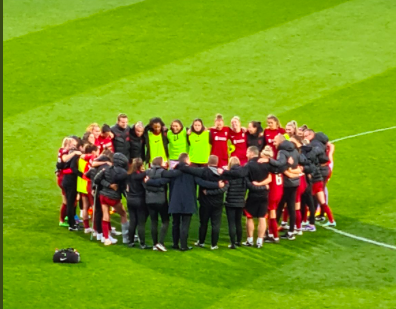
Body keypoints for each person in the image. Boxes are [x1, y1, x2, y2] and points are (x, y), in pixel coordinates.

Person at [148, 153, 223, 251]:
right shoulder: (191, 173)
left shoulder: (173, 172)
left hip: (175, 201)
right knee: (185, 224)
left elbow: (162, 181)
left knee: (175, 223)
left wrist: (148, 182)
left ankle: (175, 244)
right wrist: (217, 185)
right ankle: (183, 245)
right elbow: (203, 183)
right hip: (188, 201)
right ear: (187, 160)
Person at [220, 146, 271, 248]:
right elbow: (271, 176)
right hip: (265, 194)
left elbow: (240, 173)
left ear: (251, 153)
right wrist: (263, 185)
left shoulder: (249, 165)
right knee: (262, 217)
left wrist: (225, 172)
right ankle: (260, 241)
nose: (246, 155)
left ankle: (250, 239)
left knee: (249, 216)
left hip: (253, 195)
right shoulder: (266, 163)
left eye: (247, 153)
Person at [268, 134, 300, 240]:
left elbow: (279, 163)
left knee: (280, 206)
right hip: (295, 182)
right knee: (291, 207)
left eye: (275, 141)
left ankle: (272, 231)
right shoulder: (295, 149)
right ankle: (291, 231)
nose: (274, 143)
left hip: (286, 183)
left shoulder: (282, 151)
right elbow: (300, 161)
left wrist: (268, 160)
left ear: (281, 141)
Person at [193, 155, 229, 250]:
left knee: (203, 223)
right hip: (218, 202)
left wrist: (208, 192)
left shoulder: (204, 171)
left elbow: (199, 181)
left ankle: (201, 242)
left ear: (208, 162)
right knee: (215, 224)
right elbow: (225, 186)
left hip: (205, 202)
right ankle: (214, 244)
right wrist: (216, 187)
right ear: (217, 163)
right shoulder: (221, 173)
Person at [94, 153, 129, 246]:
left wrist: (108, 185)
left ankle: (106, 239)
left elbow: (97, 180)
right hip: (114, 197)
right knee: (123, 214)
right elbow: (123, 187)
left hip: (103, 196)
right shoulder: (123, 173)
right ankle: (126, 237)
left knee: (105, 216)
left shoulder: (106, 169)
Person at [85, 150, 114, 241]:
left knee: (97, 212)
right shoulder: (106, 168)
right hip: (102, 191)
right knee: (103, 213)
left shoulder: (94, 168)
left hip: (94, 191)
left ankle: (98, 233)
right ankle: (104, 235)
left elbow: (87, 174)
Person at [143, 157, 170, 252]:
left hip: (149, 200)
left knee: (153, 221)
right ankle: (161, 243)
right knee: (165, 221)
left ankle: (154, 244)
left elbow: (145, 185)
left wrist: (150, 188)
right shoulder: (163, 172)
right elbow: (162, 184)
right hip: (161, 200)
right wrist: (158, 189)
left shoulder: (147, 172)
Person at [56, 137, 81, 227]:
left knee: (70, 200)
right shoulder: (64, 151)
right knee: (67, 201)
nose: (74, 147)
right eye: (72, 145)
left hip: (62, 177)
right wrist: (74, 153)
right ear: (68, 144)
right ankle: (63, 220)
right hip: (63, 178)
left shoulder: (62, 150)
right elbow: (64, 159)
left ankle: (68, 217)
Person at [222, 157, 247, 248]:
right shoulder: (243, 174)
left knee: (231, 223)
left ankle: (232, 243)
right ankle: (239, 241)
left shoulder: (229, 174)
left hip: (230, 201)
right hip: (240, 201)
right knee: (238, 222)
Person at [126, 158, 150, 249]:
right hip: (139, 200)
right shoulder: (141, 176)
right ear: (140, 166)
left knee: (133, 221)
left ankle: (130, 241)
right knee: (141, 223)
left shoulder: (129, 174)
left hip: (130, 199)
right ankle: (142, 243)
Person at [62, 138, 84, 231]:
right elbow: (73, 168)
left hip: (67, 180)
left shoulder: (70, 154)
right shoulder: (76, 155)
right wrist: (81, 174)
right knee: (71, 203)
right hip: (71, 181)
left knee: (71, 203)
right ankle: (71, 225)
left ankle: (73, 223)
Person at [76, 144, 99, 233]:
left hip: (81, 184)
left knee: (85, 207)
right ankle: (95, 228)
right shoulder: (93, 159)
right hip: (89, 183)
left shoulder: (80, 159)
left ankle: (86, 227)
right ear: (93, 152)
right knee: (94, 207)